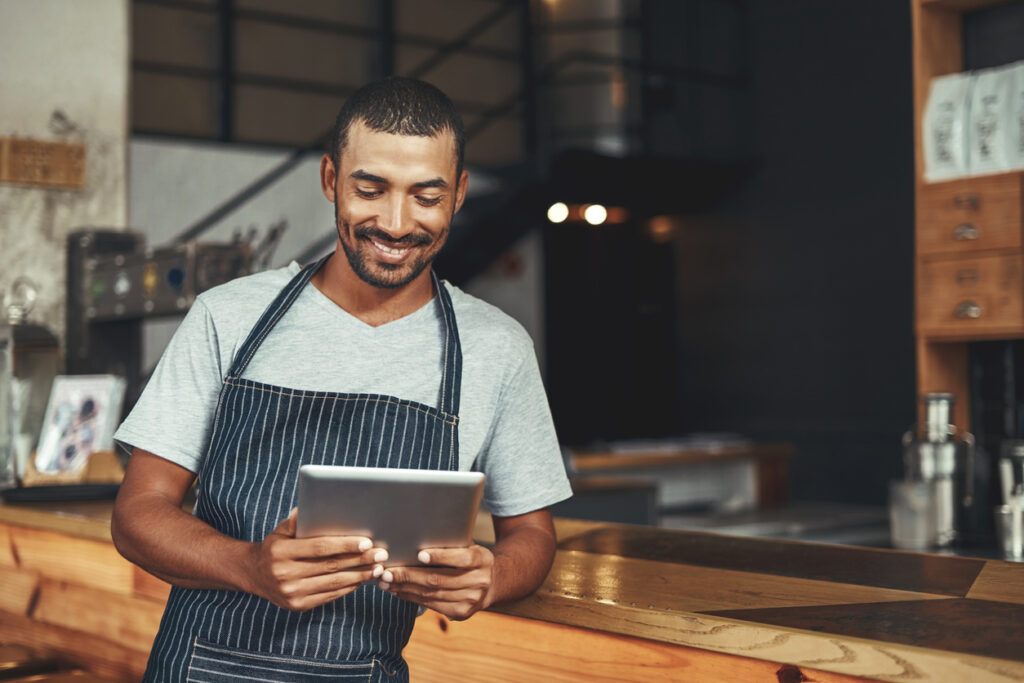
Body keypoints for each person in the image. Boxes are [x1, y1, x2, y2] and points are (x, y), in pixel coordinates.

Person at [111, 76, 572, 682]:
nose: (397, 223)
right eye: (370, 189)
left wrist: (492, 577)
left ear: (459, 194)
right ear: (331, 179)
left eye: (426, 196)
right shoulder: (229, 316)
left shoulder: (497, 349)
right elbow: (137, 513)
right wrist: (248, 565)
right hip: (200, 669)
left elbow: (533, 537)